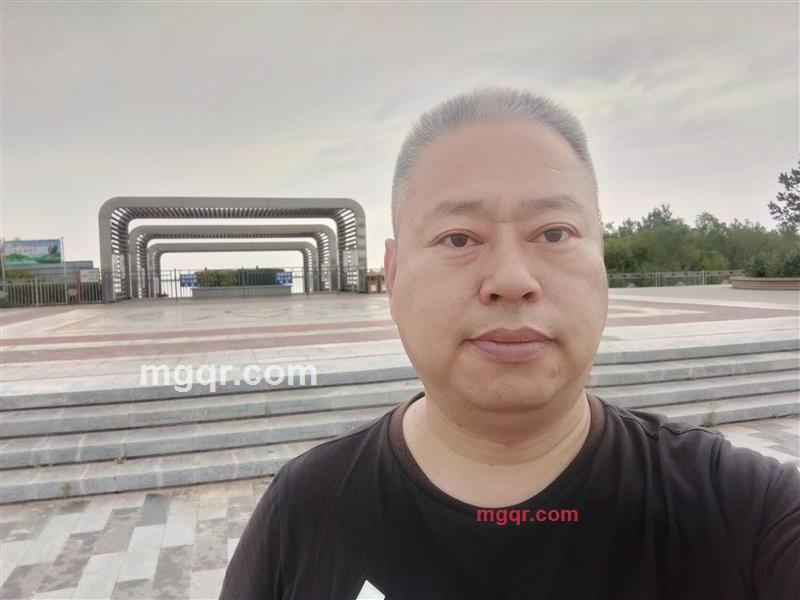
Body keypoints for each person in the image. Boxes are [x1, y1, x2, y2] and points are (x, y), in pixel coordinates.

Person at [220, 87, 800, 599]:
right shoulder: (305, 511)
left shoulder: (745, 510)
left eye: (554, 232)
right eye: (458, 238)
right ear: (393, 277)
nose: (512, 279)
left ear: (600, 258)